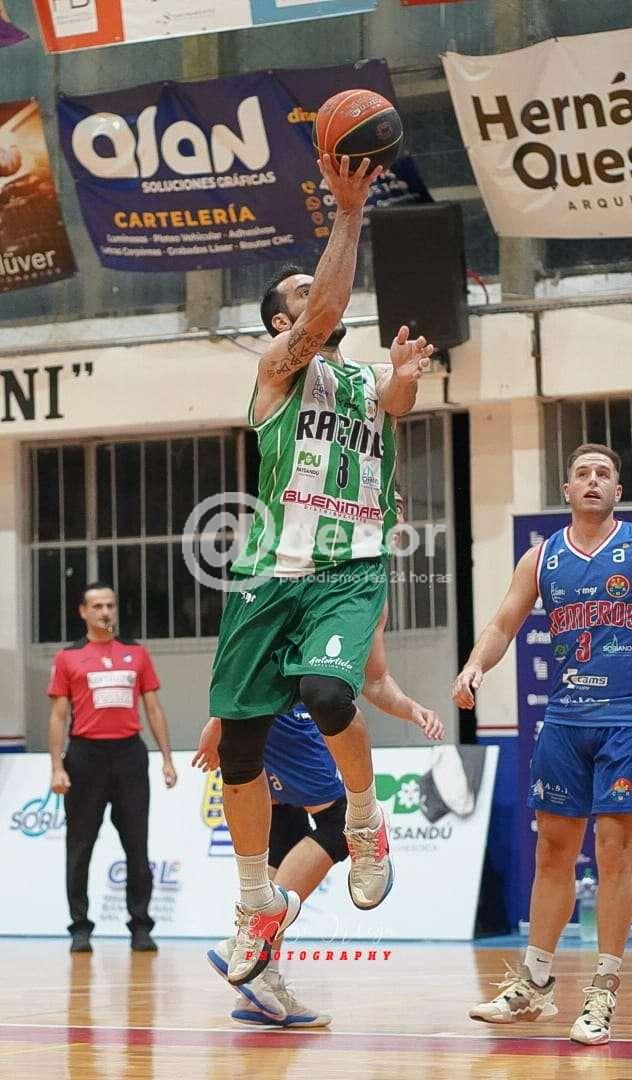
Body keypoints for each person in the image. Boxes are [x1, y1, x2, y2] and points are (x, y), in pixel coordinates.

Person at [208, 151, 435, 987]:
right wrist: (347, 210)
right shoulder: (276, 371)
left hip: (350, 563)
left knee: (330, 694)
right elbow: (329, 310)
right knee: (240, 748)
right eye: (303, 293)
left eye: (318, 287)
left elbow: (398, 402)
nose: (320, 297)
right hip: (271, 571)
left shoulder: (363, 378)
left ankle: (364, 823)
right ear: (282, 323)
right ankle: (255, 902)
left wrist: (403, 380)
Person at [196, 548, 444, 1025]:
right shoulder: (306, 556)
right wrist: (220, 720)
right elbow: (255, 636)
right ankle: (251, 937)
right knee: (333, 824)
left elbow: (375, 681)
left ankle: (259, 975)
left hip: (266, 717)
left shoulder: (362, 581)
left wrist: (412, 709)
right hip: (289, 721)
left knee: (284, 827)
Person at [453, 443, 632, 1045]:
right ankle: (535, 985)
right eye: (582, 473)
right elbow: (504, 622)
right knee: (553, 854)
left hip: (625, 719)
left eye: (603, 474)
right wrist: (474, 666)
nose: (592, 480)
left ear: (617, 491)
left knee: (615, 852)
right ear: (567, 490)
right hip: (564, 719)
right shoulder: (542, 556)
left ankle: (603, 990)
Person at [48, 583, 177, 954]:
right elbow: (58, 716)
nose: (105, 612)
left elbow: (153, 708)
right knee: (80, 847)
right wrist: (57, 767)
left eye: (110, 605)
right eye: (97, 606)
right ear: (83, 611)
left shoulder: (136, 653)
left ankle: (140, 926)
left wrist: (167, 758)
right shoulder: (68, 657)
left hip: (129, 756)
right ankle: (80, 927)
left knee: (137, 844)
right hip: (85, 757)